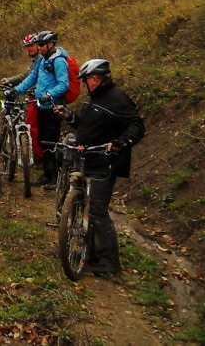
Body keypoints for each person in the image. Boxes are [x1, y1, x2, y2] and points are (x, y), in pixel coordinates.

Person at [53, 58, 145, 278]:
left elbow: (137, 126)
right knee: (83, 206)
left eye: (85, 80)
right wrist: (70, 117)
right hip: (87, 159)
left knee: (96, 210)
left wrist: (121, 142)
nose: (84, 84)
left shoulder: (118, 99)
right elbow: (87, 126)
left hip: (105, 163)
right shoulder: (94, 100)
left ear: (95, 79)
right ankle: (89, 253)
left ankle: (109, 262)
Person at [14, 30, 69, 187]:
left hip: (53, 108)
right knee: (42, 140)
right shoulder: (42, 59)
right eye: (38, 44)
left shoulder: (59, 61)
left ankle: (55, 177)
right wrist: (16, 90)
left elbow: (64, 84)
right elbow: (33, 77)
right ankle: (47, 174)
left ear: (51, 44)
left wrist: (49, 94)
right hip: (42, 106)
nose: (39, 47)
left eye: (42, 44)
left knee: (50, 142)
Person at [0, 33, 43, 164]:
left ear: (38, 45)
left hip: (38, 97)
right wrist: (10, 80)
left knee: (33, 126)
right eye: (27, 46)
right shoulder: (35, 61)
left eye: (32, 45)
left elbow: (34, 79)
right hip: (34, 96)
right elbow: (26, 76)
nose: (29, 48)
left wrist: (18, 89)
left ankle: (39, 159)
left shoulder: (41, 60)